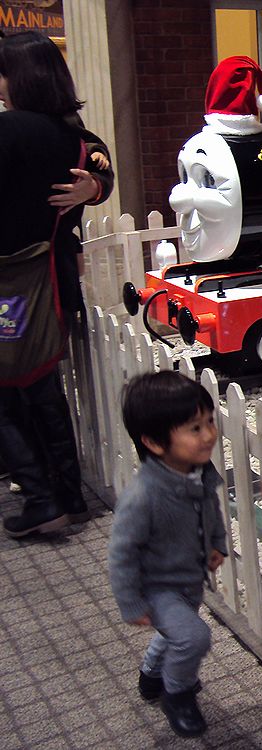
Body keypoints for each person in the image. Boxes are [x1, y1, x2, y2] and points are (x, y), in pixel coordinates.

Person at [0, 31, 114, 536]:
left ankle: (41, 497)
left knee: (11, 392)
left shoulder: (9, 130)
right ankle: (66, 493)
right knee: (41, 386)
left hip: (13, 282)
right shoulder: (72, 136)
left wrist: (97, 188)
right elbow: (100, 166)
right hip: (52, 279)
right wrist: (98, 188)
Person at [109, 371, 227, 738]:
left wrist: (216, 543)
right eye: (194, 429)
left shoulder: (198, 472)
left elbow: (210, 510)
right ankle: (177, 695)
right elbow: (122, 553)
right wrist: (130, 602)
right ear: (154, 442)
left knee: (176, 632)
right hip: (157, 586)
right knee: (193, 637)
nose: (208, 435)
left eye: (209, 422)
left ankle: (150, 674)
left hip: (188, 578)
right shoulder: (143, 496)